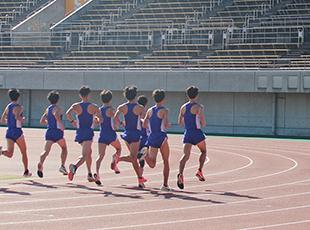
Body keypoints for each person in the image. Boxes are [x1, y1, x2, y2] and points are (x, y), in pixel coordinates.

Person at [114, 86, 147, 188]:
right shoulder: (140, 107)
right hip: (135, 134)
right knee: (133, 158)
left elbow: (115, 117)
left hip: (127, 133)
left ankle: (140, 179)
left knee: (133, 158)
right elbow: (144, 121)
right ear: (135, 95)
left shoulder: (122, 107)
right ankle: (118, 159)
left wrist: (121, 124)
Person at [66, 86, 101, 182]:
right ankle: (74, 166)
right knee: (85, 154)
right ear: (89, 95)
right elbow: (99, 119)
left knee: (88, 153)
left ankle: (89, 173)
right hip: (88, 132)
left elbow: (67, 114)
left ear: (80, 95)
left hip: (79, 131)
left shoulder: (75, 106)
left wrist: (72, 121)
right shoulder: (94, 106)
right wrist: (96, 120)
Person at [177, 86, 207, 189]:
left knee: (185, 155)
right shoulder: (199, 107)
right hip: (197, 133)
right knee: (203, 151)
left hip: (188, 133)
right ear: (197, 95)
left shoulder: (183, 107)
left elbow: (180, 123)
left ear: (187, 95)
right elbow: (203, 123)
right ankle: (199, 170)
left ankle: (180, 174)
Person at [143, 89, 171, 191]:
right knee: (166, 161)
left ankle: (144, 155)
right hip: (161, 136)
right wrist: (168, 125)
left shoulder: (149, 111)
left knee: (152, 164)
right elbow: (166, 124)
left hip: (152, 137)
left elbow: (144, 124)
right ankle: (165, 185)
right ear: (163, 99)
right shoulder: (164, 110)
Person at [0, 88, 32, 177]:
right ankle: (26, 171)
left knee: (10, 154)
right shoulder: (19, 107)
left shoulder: (8, 107)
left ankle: (1, 152)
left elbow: (2, 120)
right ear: (18, 97)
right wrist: (22, 119)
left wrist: (10, 122)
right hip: (17, 132)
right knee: (24, 152)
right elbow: (17, 117)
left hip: (9, 131)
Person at [37, 91, 68, 178]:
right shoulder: (58, 108)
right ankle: (62, 166)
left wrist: (50, 122)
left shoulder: (48, 109)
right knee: (64, 148)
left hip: (49, 131)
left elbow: (42, 121)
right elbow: (56, 115)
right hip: (57, 132)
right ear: (58, 99)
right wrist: (60, 124)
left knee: (46, 151)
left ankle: (41, 164)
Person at [94, 89, 122, 186]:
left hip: (102, 134)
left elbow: (97, 121)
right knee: (119, 148)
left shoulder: (99, 110)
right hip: (111, 134)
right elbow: (115, 121)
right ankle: (114, 160)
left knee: (100, 156)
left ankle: (97, 173)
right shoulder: (111, 109)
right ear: (110, 99)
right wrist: (118, 126)